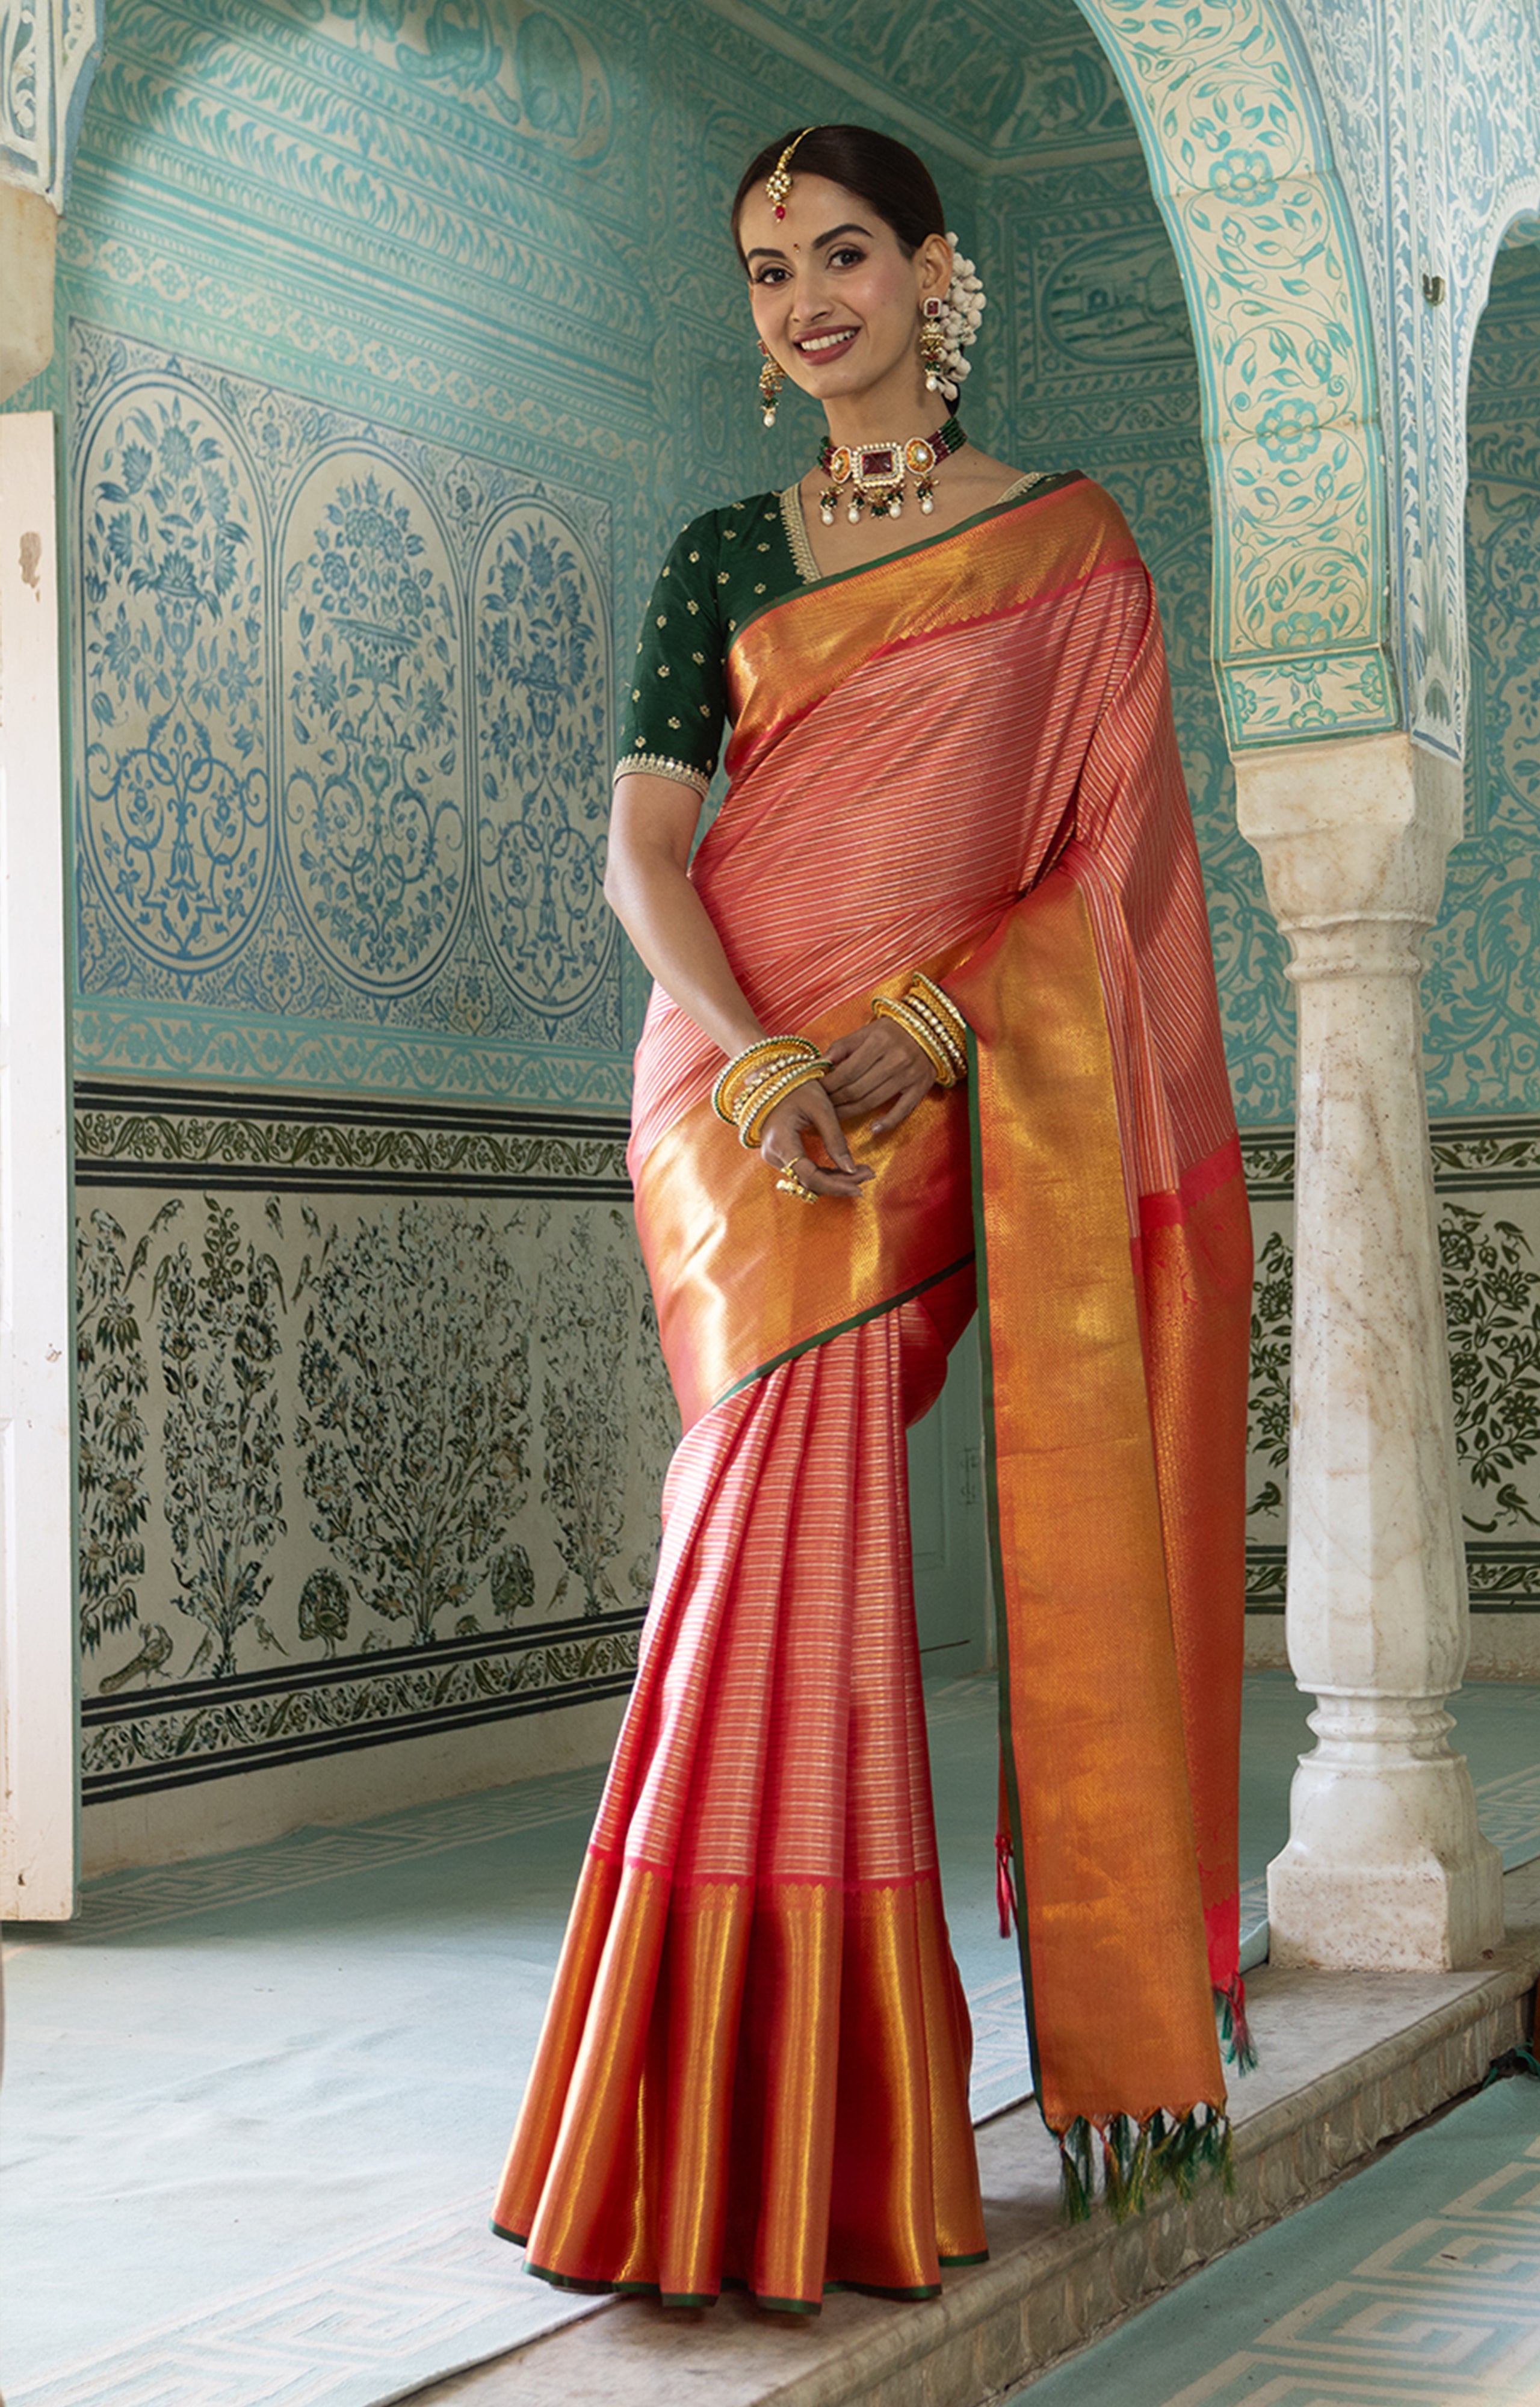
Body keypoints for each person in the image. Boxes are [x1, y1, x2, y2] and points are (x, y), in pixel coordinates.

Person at [492, 123, 1253, 2316]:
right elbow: (649, 851)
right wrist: (745, 1050)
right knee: (755, 1532)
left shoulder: (1069, 549)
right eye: (764, 269)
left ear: (937, 273)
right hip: (730, 1099)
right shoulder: (726, 553)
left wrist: (926, 1020)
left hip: (930, 1083)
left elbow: (1111, 878)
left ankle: (773, 2123)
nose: (805, 299)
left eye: (842, 254)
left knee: (794, 1563)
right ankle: (717, 2120)